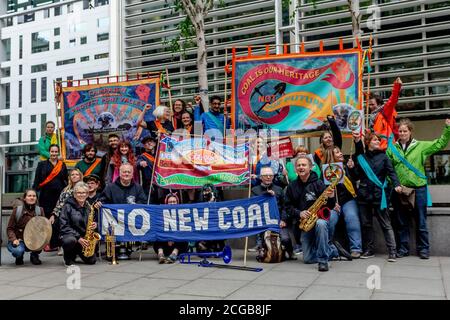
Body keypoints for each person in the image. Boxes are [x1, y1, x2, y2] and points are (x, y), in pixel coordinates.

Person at [387, 118, 450, 259]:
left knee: (421, 221)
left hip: (418, 189)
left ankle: (424, 250)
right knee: (401, 222)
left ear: (410, 131)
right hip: (399, 190)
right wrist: (394, 183)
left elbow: (440, 144)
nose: (402, 133)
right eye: (400, 131)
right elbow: (388, 169)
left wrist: (447, 129)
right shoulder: (392, 148)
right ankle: (403, 249)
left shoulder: (420, 146)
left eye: (405, 131)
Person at [284, 155, 342, 272]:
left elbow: (329, 206)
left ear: (310, 167)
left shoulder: (319, 184)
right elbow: (287, 207)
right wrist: (299, 213)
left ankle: (322, 261)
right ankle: (333, 251)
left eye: (304, 165)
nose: (301, 167)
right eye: (298, 165)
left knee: (321, 224)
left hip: (319, 219)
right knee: (307, 258)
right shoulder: (291, 186)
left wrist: (331, 198)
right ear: (295, 169)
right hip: (305, 223)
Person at [353, 132, 403, 262]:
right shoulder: (361, 157)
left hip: (380, 195)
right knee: (366, 224)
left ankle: (392, 251)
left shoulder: (384, 157)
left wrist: (397, 184)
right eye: (375, 140)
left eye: (378, 140)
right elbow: (356, 176)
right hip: (364, 196)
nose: (377, 142)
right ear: (368, 142)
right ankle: (369, 250)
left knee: (386, 224)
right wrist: (352, 167)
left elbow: (392, 173)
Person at [97, 163, 147, 259]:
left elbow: (143, 202)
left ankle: (127, 248)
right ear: (120, 173)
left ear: (132, 174)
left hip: (131, 222)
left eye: (129, 172)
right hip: (114, 222)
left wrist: (136, 205)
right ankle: (111, 250)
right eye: (124, 172)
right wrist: (99, 203)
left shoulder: (138, 188)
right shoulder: (110, 187)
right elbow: (103, 200)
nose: (126, 174)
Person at [323, 144, 363, 259]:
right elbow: (324, 191)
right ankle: (327, 246)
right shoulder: (326, 171)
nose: (341, 153)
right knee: (330, 219)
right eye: (337, 152)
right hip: (333, 203)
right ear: (331, 156)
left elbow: (357, 178)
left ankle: (356, 248)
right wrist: (332, 203)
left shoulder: (346, 167)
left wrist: (352, 168)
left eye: (340, 152)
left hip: (348, 200)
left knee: (351, 217)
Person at [251, 166, 295, 260]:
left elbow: (285, 206)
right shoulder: (255, 190)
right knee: (263, 241)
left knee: (285, 239)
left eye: (270, 175)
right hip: (262, 221)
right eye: (265, 175)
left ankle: (290, 252)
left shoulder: (279, 189)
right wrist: (265, 196)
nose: (268, 177)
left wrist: (283, 220)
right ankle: (266, 253)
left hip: (278, 220)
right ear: (260, 177)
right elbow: (253, 207)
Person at [33, 144, 68, 251]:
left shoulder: (62, 165)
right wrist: (34, 195)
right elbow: (37, 181)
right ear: (49, 152)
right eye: (52, 152)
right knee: (47, 220)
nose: (54, 154)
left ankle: (58, 244)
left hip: (59, 197)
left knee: (58, 220)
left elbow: (66, 181)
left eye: (56, 152)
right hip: (45, 196)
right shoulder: (41, 165)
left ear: (58, 153)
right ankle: (47, 242)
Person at [59, 182, 97, 266]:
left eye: (83, 193)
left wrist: (95, 224)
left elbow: (91, 221)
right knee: (70, 241)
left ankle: (77, 252)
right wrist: (78, 237)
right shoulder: (67, 206)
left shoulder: (89, 207)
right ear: (74, 194)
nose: (81, 195)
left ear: (87, 194)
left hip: (83, 238)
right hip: (70, 236)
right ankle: (68, 257)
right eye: (79, 193)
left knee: (92, 260)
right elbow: (64, 226)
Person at [6, 189, 45, 265]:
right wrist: (14, 239)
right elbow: (10, 228)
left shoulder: (40, 210)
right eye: (29, 196)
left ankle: (34, 254)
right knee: (18, 251)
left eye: (34, 196)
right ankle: (19, 256)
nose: (32, 198)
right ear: (24, 198)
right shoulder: (17, 210)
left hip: (34, 240)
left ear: (36, 198)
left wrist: (44, 239)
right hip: (19, 240)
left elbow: (43, 227)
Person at [51, 168, 84, 255]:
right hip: (63, 212)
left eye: (76, 174)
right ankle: (61, 245)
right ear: (70, 177)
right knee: (56, 222)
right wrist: (53, 215)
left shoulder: (83, 188)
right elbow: (59, 203)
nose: (74, 176)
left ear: (80, 176)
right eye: (72, 174)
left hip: (77, 212)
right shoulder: (65, 189)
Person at [153, 193, 189, 263]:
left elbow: (183, 230)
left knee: (184, 239)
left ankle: (173, 255)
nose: (172, 204)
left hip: (177, 245)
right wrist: (167, 238)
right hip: (164, 244)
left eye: (174, 202)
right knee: (157, 238)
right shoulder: (161, 214)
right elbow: (159, 229)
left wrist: (173, 238)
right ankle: (160, 255)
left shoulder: (182, 214)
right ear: (166, 203)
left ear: (177, 202)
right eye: (170, 202)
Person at [368, 77, 402, 150]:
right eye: (369, 105)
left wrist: (397, 86)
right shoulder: (372, 117)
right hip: (377, 148)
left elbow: (392, 100)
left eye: (372, 104)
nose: (370, 107)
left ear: (379, 104)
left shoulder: (385, 111)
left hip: (387, 148)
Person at [137, 136, 157, 200]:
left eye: (151, 141)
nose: (149, 143)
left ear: (155, 144)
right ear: (144, 145)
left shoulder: (159, 155)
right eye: (146, 142)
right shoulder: (142, 156)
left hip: (160, 184)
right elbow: (137, 163)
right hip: (149, 185)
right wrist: (140, 163)